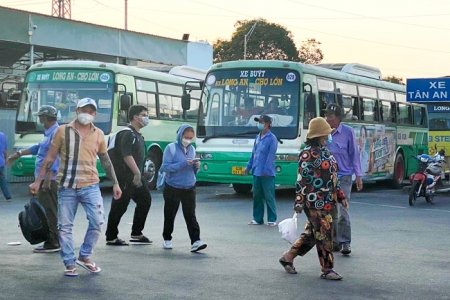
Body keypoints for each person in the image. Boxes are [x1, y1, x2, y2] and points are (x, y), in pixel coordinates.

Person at [29, 98, 122, 277]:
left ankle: (85, 256)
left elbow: (105, 160)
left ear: (95, 114)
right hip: (67, 187)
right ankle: (69, 262)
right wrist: (38, 181)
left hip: (91, 185)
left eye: (91, 110)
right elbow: (50, 158)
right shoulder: (63, 131)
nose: (87, 113)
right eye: (84, 109)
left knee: (97, 221)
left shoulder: (99, 134)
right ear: (76, 110)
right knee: (64, 227)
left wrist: (116, 183)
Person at [278, 117, 348, 280]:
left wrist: (340, 195)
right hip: (315, 202)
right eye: (326, 134)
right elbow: (302, 180)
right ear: (320, 136)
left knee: (312, 234)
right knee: (324, 234)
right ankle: (327, 269)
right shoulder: (307, 154)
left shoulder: (325, 152)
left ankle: (288, 258)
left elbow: (332, 177)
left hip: (328, 201)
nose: (329, 136)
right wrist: (299, 202)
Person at [7, 105, 60, 253]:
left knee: (49, 211)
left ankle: (53, 242)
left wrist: (47, 180)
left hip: (49, 180)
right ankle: (54, 240)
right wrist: (18, 154)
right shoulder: (49, 132)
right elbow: (38, 148)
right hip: (44, 178)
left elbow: (54, 158)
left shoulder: (55, 133)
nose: (39, 119)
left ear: (45, 117)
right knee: (47, 209)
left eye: (40, 116)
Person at [105, 105, 152, 246]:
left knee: (145, 200)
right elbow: (126, 155)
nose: (146, 117)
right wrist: (137, 172)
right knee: (120, 205)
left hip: (135, 177)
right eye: (144, 114)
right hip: (125, 176)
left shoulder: (138, 135)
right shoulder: (127, 134)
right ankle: (111, 236)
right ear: (135, 117)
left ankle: (137, 232)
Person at [160, 124, 206, 252]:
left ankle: (196, 241)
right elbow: (165, 167)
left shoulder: (192, 149)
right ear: (180, 136)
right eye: (186, 137)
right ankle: (167, 238)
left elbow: (193, 171)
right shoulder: (171, 148)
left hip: (189, 186)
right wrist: (183, 163)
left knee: (190, 215)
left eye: (191, 138)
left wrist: (196, 166)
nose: (188, 140)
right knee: (170, 213)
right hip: (173, 186)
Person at [324, 103, 363, 256]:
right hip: (327, 177)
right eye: (326, 116)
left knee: (342, 210)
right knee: (330, 210)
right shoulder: (324, 131)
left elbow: (354, 154)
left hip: (344, 177)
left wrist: (358, 176)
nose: (328, 119)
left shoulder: (348, 132)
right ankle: (334, 241)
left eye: (331, 117)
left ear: (338, 118)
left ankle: (345, 242)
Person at [244, 115, 278, 226]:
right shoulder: (258, 137)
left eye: (262, 122)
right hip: (256, 171)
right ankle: (257, 218)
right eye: (259, 122)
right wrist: (248, 167)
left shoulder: (272, 138)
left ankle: (272, 219)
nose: (260, 124)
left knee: (269, 196)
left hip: (267, 173)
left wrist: (266, 170)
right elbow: (254, 154)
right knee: (257, 196)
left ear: (268, 124)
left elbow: (270, 155)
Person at [0, 130, 12, 201]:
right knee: (2, 179)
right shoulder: (2, 135)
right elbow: (5, 150)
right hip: (0, 161)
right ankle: (8, 195)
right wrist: (6, 159)